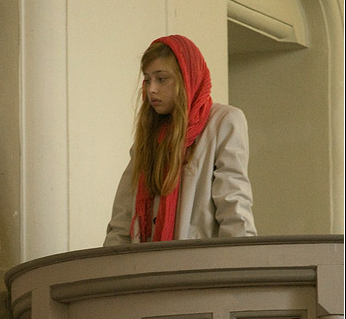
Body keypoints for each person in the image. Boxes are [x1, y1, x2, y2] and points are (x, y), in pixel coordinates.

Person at [103, 34, 257, 246]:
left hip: (201, 262)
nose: (151, 89)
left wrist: (244, 259)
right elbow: (123, 218)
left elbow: (233, 203)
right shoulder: (149, 136)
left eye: (161, 79)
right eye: (147, 80)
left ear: (187, 77)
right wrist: (111, 263)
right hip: (147, 262)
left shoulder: (224, 121)